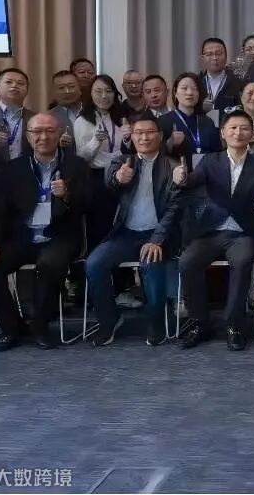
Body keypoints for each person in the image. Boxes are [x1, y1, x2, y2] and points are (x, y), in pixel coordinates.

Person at [0, 113, 90, 351]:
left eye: (49, 131)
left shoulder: (76, 166)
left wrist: (67, 195)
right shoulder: (12, 169)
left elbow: (89, 204)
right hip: (23, 237)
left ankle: (40, 326)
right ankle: (11, 327)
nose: (43, 137)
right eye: (37, 132)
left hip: (59, 235)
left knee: (49, 264)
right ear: (28, 136)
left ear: (60, 134)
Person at [176, 110, 254, 351]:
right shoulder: (210, 161)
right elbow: (191, 181)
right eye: (233, 128)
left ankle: (234, 325)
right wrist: (181, 177)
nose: (238, 133)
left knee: (242, 261)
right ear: (223, 133)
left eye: (244, 128)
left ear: (252, 134)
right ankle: (199, 323)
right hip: (212, 230)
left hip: (242, 233)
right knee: (187, 262)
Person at [86, 113, 182, 346]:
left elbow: (175, 208)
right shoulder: (122, 162)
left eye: (150, 133)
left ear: (160, 136)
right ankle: (109, 320)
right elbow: (110, 184)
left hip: (158, 235)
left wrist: (157, 239)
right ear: (132, 136)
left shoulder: (173, 166)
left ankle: (156, 321)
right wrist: (119, 179)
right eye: (139, 133)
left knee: (151, 265)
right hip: (126, 234)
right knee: (94, 263)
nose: (144, 138)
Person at [74, 74, 131, 249]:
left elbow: (127, 151)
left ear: (115, 93)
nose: (104, 96)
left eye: (108, 91)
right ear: (90, 94)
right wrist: (95, 142)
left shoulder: (120, 117)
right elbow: (81, 157)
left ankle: (120, 264)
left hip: (121, 176)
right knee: (100, 226)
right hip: (96, 178)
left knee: (121, 222)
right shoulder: (83, 121)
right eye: (98, 91)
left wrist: (128, 139)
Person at [158, 72, 223, 167]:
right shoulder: (163, 121)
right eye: (184, 88)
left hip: (208, 173)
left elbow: (218, 154)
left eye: (195, 89)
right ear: (175, 92)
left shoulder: (208, 122)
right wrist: (169, 144)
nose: (189, 93)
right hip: (179, 173)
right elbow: (156, 156)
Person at [0, 67, 34, 162]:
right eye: (9, 82)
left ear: (27, 90)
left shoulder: (35, 118)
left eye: (20, 83)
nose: (14, 85)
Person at [197, 37, 245, 125]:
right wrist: (201, 107)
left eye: (219, 53)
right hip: (202, 130)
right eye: (209, 54)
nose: (214, 58)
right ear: (202, 58)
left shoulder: (238, 83)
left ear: (226, 57)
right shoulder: (196, 84)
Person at [49, 70, 83, 152]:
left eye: (71, 86)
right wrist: (59, 145)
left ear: (79, 88)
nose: (67, 91)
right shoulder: (48, 117)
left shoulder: (94, 112)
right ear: (54, 92)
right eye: (61, 88)